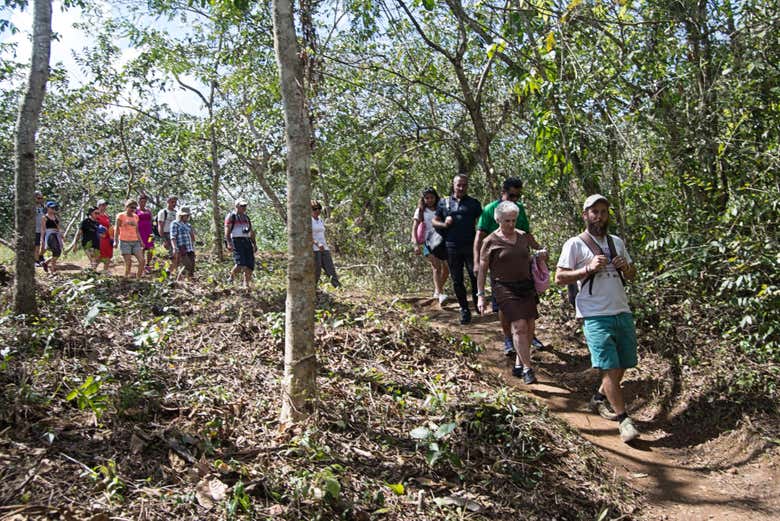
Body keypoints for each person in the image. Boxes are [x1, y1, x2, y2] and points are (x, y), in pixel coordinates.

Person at [555, 194, 640, 443]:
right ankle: (624, 420)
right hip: (594, 314)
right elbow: (559, 277)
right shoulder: (575, 244)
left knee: (624, 363)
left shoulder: (616, 242)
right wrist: (588, 269)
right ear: (585, 215)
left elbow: (632, 275)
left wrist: (626, 267)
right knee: (609, 367)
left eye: (603, 212)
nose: (599, 217)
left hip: (621, 310)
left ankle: (599, 399)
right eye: (594, 212)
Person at [473, 177, 545, 355]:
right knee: (504, 308)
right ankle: (508, 338)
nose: (515, 199)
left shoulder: (518, 210)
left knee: (528, 310)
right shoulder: (490, 210)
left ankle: (529, 337)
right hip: (499, 267)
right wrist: (477, 262)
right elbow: (479, 237)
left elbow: (527, 235)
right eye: (512, 195)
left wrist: (539, 248)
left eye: (518, 196)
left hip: (521, 265)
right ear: (503, 192)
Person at [432, 174, 482, 324]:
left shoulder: (474, 203)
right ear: (453, 185)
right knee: (457, 280)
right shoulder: (444, 203)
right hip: (451, 246)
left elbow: (482, 221)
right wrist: (444, 225)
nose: (461, 188)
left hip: (470, 246)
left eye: (464, 185)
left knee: (475, 275)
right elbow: (435, 221)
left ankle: (477, 302)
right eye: (459, 185)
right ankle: (464, 309)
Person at [411, 187, 449, 305]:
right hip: (428, 241)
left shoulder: (441, 208)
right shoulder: (421, 210)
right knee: (436, 267)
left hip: (442, 241)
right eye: (427, 198)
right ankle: (440, 294)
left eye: (431, 197)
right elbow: (414, 227)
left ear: (435, 197)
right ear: (423, 199)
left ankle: (437, 290)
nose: (429, 200)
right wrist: (415, 243)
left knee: (447, 268)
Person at [225, 199, 257, 288]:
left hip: (247, 241)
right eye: (242, 206)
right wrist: (229, 242)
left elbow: (251, 231)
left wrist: (254, 244)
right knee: (240, 263)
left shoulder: (247, 217)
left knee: (250, 264)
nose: (244, 208)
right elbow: (227, 231)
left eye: (245, 206)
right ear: (237, 206)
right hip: (236, 241)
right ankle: (231, 278)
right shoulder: (231, 216)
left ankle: (246, 284)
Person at [311, 200, 341, 288]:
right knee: (317, 271)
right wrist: (317, 244)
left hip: (324, 248)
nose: (317, 211)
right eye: (314, 209)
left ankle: (338, 287)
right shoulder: (308, 220)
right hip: (314, 249)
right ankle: (312, 289)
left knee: (330, 269)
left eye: (319, 208)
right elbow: (307, 234)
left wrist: (324, 244)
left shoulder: (320, 220)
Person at [115, 199, 145, 278]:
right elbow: (117, 229)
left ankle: (138, 279)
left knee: (142, 261)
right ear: (126, 207)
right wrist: (115, 241)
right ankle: (126, 279)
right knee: (128, 263)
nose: (133, 209)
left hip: (135, 242)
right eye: (131, 207)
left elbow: (137, 230)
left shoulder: (136, 217)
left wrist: (141, 241)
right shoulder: (120, 216)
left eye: (135, 208)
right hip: (124, 241)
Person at [170, 207, 196, 281]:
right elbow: (173, 237)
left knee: (192, 266)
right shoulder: (175, 223)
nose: (187, 217)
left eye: (188, 215)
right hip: (182, 247)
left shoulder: (188, 225)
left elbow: (192, 237)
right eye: (185, 215)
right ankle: (179, 281)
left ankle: (189, 281)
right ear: (180, 215)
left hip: (190, 248)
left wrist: (193, 245)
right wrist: (175, 248)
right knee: (186, 265)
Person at [39, 201, 63, 275]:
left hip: (57, 235)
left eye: (54, 207)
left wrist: (61, 235)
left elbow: (59, 227)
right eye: (51, 207)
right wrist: (42, 240)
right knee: (56, 251)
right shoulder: (44, 217)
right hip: (50, 235)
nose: (53, 209)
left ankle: (46, 263)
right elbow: (43, 229)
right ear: (48, 208)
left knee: (58, 252)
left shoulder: (56, 217)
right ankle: (52, 270)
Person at [136, 194, 154, 273]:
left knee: (151, 248)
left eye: (145, 201)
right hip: (140, 232)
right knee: (142, 249)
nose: (143, 203)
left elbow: (151, 221)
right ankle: (142, 265)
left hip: (149, 233)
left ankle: (148, 264)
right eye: (141, 201)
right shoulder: (136, 211)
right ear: (138, 202)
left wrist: (152, 231)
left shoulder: (148, 211)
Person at [95, 199, 114, 273]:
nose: (104, 207)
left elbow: (109, 226)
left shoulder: (107, 216)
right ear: (98, 206)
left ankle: (105, 272)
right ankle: (92, 271)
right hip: (100, 239)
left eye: (105, 205)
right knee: (99, 256)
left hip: (108, 238)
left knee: (108, 256)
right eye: (102, 205)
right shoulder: (96, 215)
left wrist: (112, 237)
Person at [33, 190, 46, 265]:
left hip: (44, 229)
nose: (40, 199)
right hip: (36, 230)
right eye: (38, 198)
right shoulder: (32, 207)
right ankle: (36, 260)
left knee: (45, 245)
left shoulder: (43, 207)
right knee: (37, 245)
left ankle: (41, 256)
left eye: (41, 198)